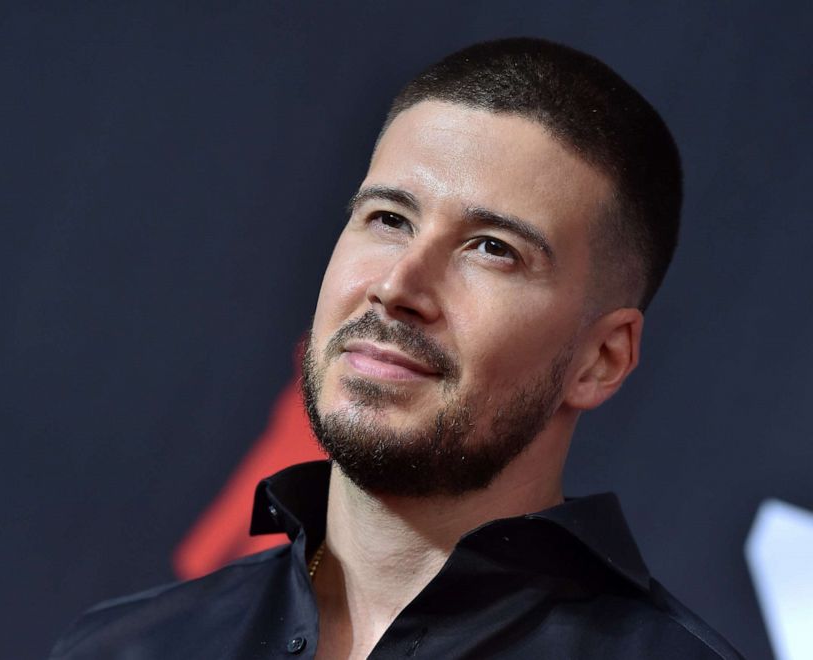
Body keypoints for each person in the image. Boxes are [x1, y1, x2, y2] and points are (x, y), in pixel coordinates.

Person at [50, 38, 742, 659]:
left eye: (492, 249)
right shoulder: (126, 648)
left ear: (602, 359)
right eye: (388, 218)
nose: (398, 285)